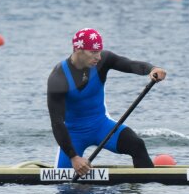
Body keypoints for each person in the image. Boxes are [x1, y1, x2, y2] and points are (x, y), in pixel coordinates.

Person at [47, 29, 168, 176]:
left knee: (137, 145)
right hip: (74, 135)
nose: (98, 57)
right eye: (93, 52)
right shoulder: (58, 78)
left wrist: (152, 69)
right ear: (78, 49)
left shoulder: (103, 61)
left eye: (99, 51)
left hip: (101, 126)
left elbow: (129, 64)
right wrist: (74, 157)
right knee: (64, 186)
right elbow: (57, 122)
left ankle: (142, 192)